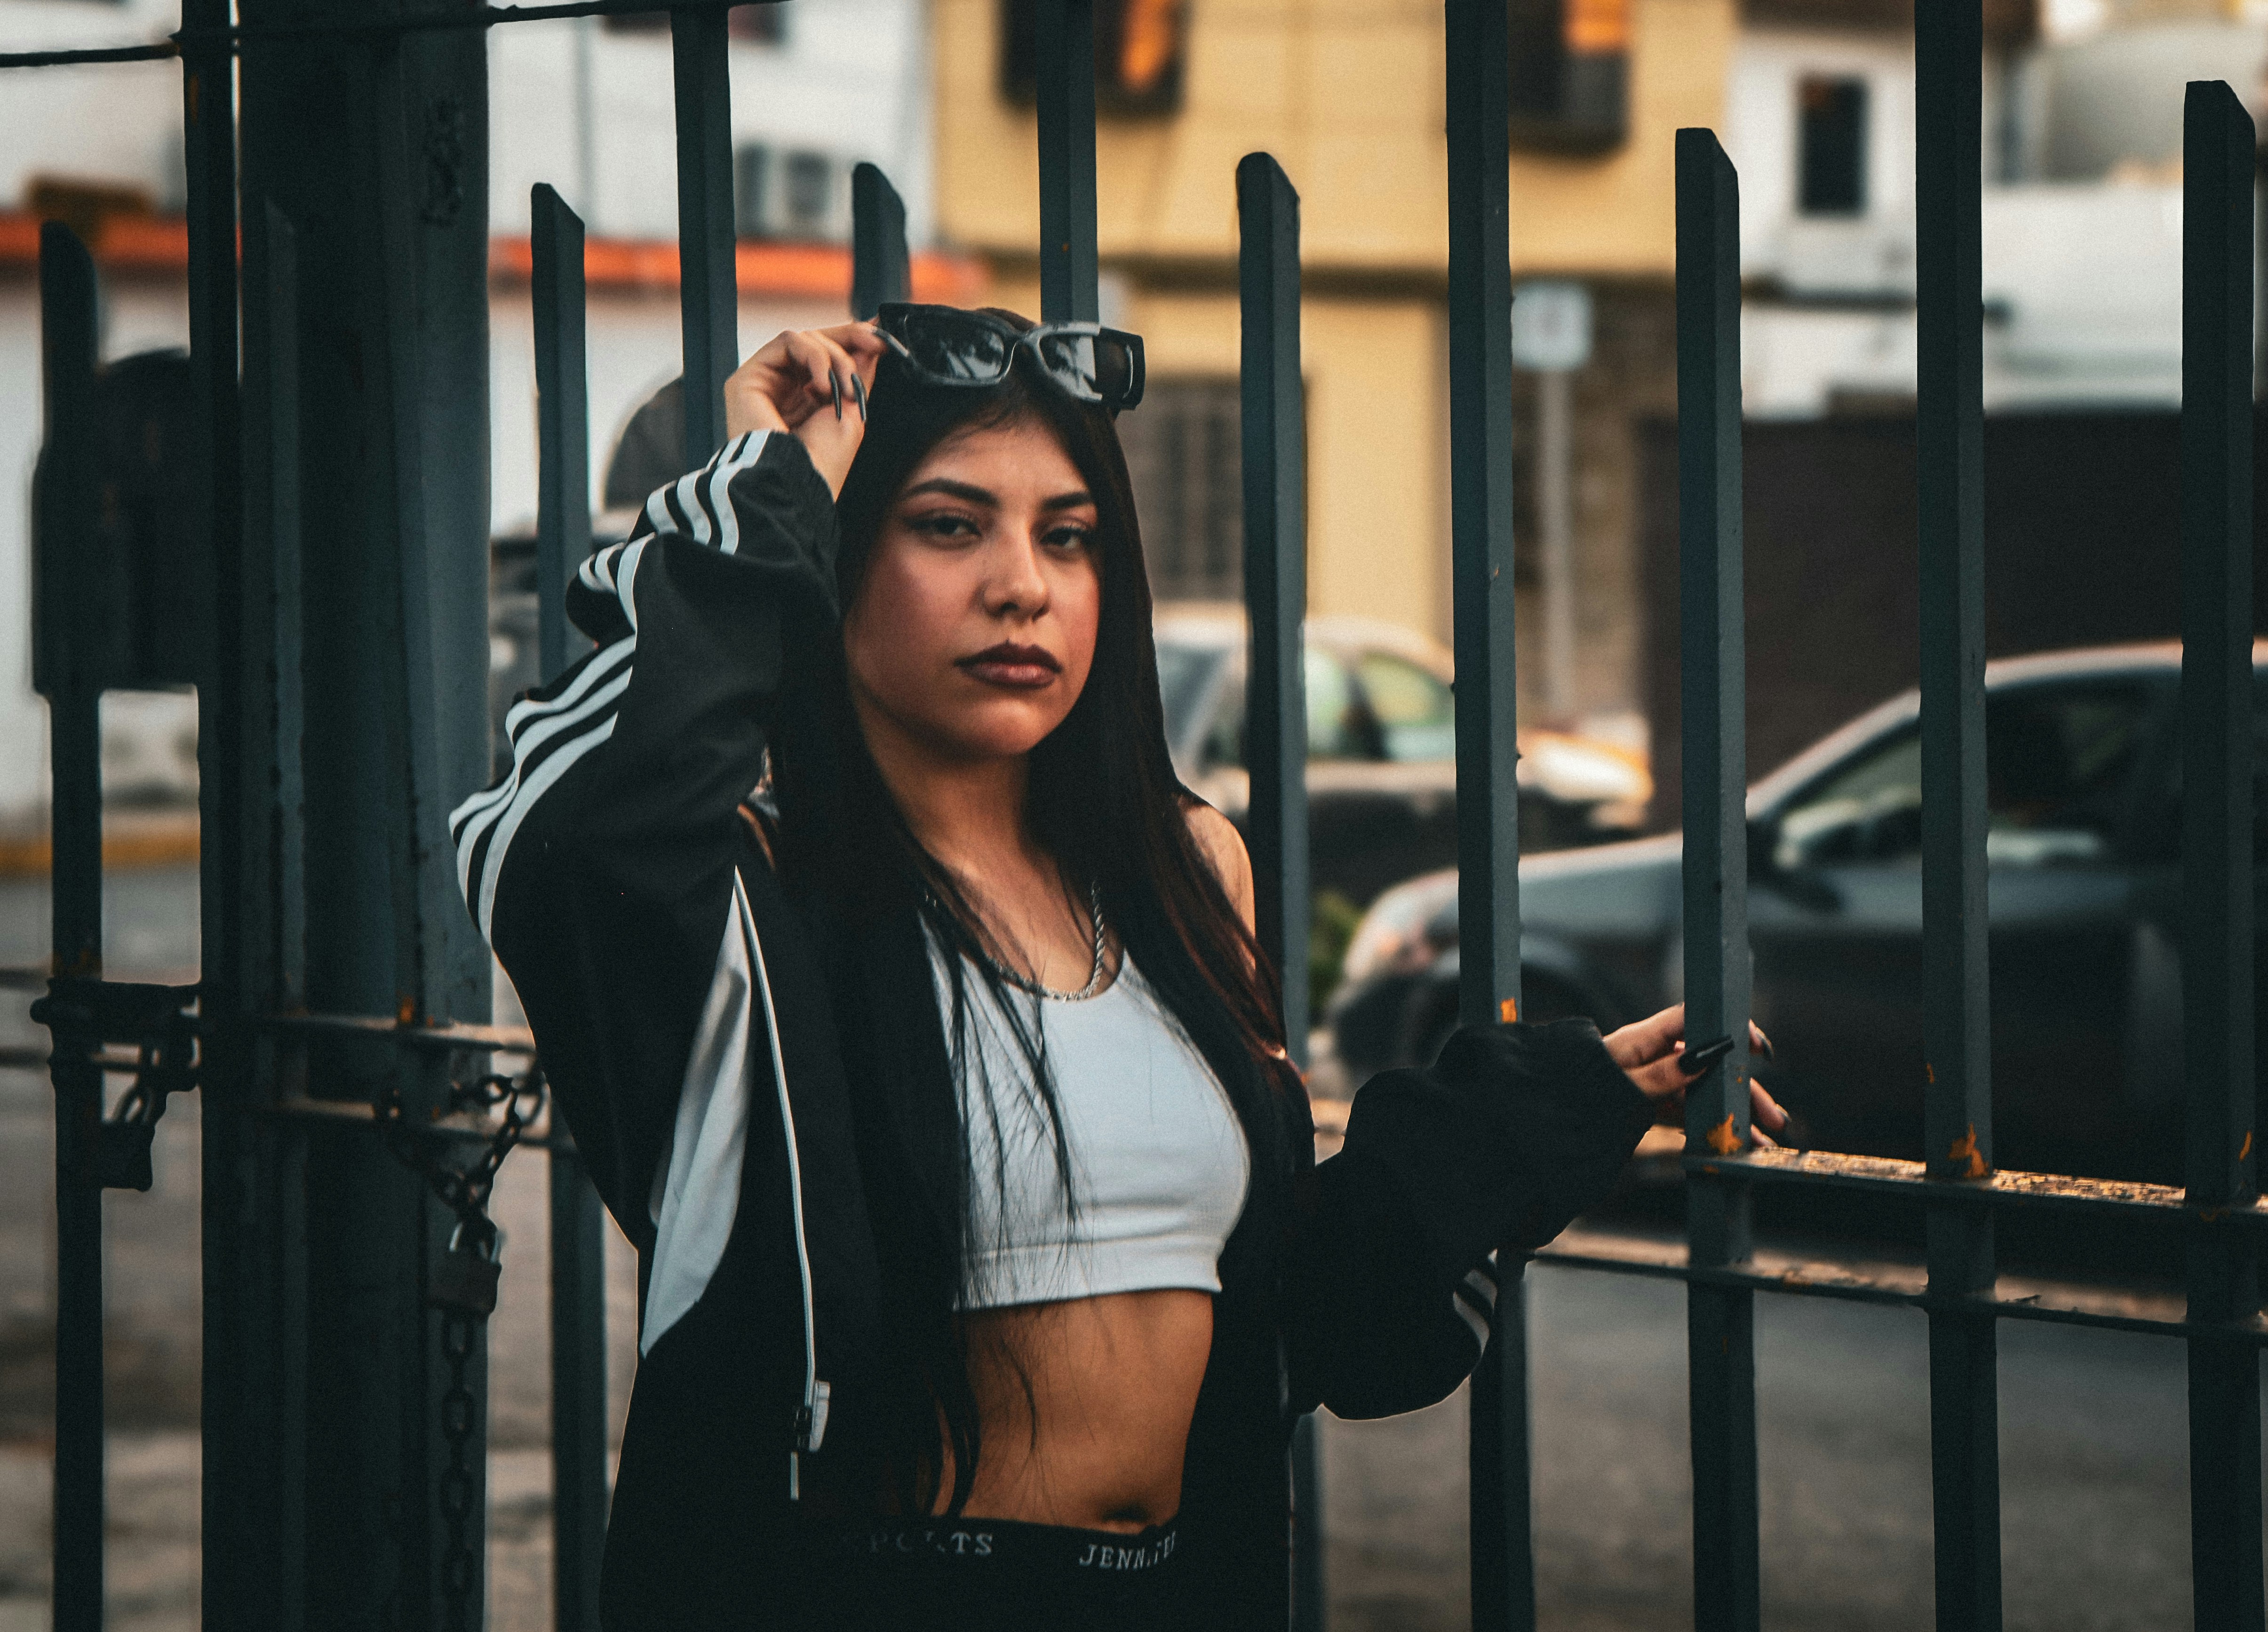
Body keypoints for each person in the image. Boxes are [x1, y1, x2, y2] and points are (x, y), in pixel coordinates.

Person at [451, 306, 1784, 1631]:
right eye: (948, 525)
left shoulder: (1191, 875)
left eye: (1068, 536)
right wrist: (767, 492)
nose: (1022, 583)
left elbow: (1271, 1308)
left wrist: (1537, 1114)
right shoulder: (754, 903)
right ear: (838, 557)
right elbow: (568, 841)